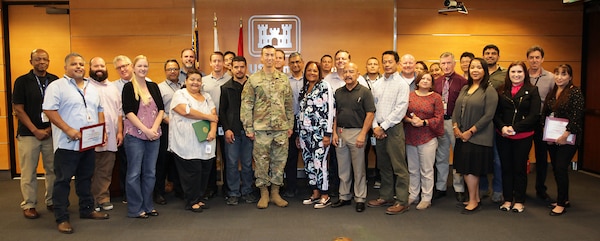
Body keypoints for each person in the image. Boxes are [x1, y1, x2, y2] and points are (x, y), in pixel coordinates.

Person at [43, 53, 110, 234]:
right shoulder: (57, 86)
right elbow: (49, 110)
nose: (79, 67)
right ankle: (62, 217)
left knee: (85, 178)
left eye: (81, 64)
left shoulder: (92, 87)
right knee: (63, 181)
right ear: (66, 67)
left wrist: (101, 132)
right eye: (74, 64)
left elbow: (99, 110)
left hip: (88, 143)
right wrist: (68, 129)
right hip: (67, 144)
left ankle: (87, 209)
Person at [241, 45, 294, 209]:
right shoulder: (254, 79)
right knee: (261, 162)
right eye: (267, 55)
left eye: (273, 55)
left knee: (279, 162)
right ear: (261, 58)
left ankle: (275, 193)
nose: (270, 58)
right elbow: (246, 104)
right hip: (261, 129)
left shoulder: (284, 79)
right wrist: (248, 127)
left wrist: (290, 125)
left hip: (281, 129)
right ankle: (264, 193)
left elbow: (289, 104)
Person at [12, 49, 58, 219]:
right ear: (31, 61)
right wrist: (35, 130)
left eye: (45, 59)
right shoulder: (22, 81)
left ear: (49, 61)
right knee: (28, 171)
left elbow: (60, 108)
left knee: (53, 169)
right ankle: (29, 204)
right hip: (28, 134)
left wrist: (49, 129)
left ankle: (52, 200)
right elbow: (18, 109)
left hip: (51, 133)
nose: (42, 62)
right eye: (38, 59)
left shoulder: (55, 81)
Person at [452, 57, 498, 214]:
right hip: (462, 135)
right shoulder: (465, 88)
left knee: (471, 170)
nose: (475, 70)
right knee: (466, 168)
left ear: (484, 70)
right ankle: (475, 197)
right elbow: (456, 110)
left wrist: (471, 131)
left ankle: (472, 201)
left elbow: (488, 115)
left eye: (479, 67)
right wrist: (455, 127)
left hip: (478, 136)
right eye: (472, 67)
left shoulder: (489, 90)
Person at [367, 50, 410, 215]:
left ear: (397, 64)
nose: (386, 64)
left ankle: (402, 200)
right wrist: (376, 127)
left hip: (393, 129)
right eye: (384, 61)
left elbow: (400, 109)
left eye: (390, 61)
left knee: (399, 166)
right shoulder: (377, 84)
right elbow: (372, 107)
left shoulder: (402, 84)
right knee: (383, 165)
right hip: (378, 130)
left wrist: (383, 126)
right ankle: (386, 196)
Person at [494, 61, 541, 213]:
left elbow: (534, 115)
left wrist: (515, 128)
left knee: (519, 169)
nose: (516, 75)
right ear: (508, 74)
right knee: (505, 168)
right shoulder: (501, 90)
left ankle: (519, 200)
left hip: (523, 136)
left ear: (524, 74)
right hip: (503, 135)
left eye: (519, 72)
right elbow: (496, 113)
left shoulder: (532, 90)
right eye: (513, 72)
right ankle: (507, 199)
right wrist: (503, 127)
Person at [169, 69, 218, 212]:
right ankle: (191, 201)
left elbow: (214, 115)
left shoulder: (207, 96)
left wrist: (213, 130)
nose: (195, 82)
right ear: (186, 81)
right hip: (187, 142)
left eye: (198, 80)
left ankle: (199, 197)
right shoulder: (180, 94)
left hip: (206, 140)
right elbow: (186, 111)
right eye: (192, 79)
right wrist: (207, 117)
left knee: (204, 170)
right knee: (192, 172)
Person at [122, 55, 164, 218]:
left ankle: (148, 205)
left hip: (154, 136)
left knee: (150, 173)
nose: (143, 69)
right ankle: (135, 208)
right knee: (134, 173)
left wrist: (153, 128)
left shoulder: (153, 86)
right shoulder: (128, 88)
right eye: (140, 66)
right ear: (133, 67)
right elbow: (129, 112)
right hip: (135, 136)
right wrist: (145, 130)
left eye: (145, 66)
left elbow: (161, 109)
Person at [331, 62, 375, 212]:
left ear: (357, 74)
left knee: (359, 168)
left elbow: (370, 113)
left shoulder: (364, 92)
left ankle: (360, 198)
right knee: (343, 168)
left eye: (352, 72)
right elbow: (335, 114)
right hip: (341, 132)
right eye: (346, 72)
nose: (348, 75)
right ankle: (344, 196)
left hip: (358, 133)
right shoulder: (338, 92)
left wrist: (363, 134)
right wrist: (334, 132)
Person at [544, 64, 584, 216]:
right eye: (557, 74)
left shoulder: (575, 92)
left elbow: (576, 116)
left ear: (570, 77)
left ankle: (561, 204)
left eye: (563, 74)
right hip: (552, 138)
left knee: (561, 167)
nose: (559, 77)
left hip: (568, 138)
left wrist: (565, 135)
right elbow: (546, 114)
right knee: (556, 168)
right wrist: (546, 135)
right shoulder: (553, 92)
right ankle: (564, 198)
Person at [296, 61, 335, 209]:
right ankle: (315, 193)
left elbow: (331, 111)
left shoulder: (325, 87)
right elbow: (301, 113)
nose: (312, 73)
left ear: (319, 73)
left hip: (320, 134)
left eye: (315, 71)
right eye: (309, 70)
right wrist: (299, 135)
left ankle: (325, 195)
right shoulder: (304, 88)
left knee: (320, 163)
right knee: (309, 163)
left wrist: (328, 134)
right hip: (305, 134)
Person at [220, 56, 257, 205]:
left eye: (242, 67)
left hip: (249, 132)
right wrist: (227, 129)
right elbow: (222, 111)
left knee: (248, 164)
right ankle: (234, 192)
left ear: (246, 67)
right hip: (233, 131)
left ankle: (247, 191)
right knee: (232, 163)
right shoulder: (226, 87)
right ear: (231, 68)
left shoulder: (253, 86)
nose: (239, 70)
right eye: (236, 67)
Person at [404, 72, 444, 210]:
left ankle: (426, 197)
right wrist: (411, 120)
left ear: (432, 83)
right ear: (418, 81)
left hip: (428, 137)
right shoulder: (409, 95)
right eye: (423, 79)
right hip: (410, 136)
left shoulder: (436, 97)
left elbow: (439, 118)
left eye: (428, 79)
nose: (425, 81)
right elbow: (402, 113)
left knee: (426, 170)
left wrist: (424, 122)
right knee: (413, 169)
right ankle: (413, 194)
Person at [433, 52, 468, 202]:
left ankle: (459, 188)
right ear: (440, 65)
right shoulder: (436, 81)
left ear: (454, 64)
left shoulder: (463, 82)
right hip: (440, 122)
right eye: (443, 63)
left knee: (458, 155)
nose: (446, 66)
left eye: (448, 63)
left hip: (455, 123)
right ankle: (440, 187)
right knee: (441, 156)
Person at [88, 57, 122, 212]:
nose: (99, 68)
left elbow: (119, 112)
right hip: (91, 135)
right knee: (90, 169)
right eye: (96, 66)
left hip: (112, 135)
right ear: (90, 68)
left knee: (106, 169)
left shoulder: (113, 87)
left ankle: (102, 198)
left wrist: (120, 131)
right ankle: (90, 200)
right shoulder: (85, 86)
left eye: (102, 65)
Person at [526, 45, 555, 201]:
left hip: (542, 121)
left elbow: (554, 99)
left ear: (542, 59)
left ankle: (540, 188)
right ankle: (520, 188)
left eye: (537, 57)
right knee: (521, 155)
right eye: (531, 57)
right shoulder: (523, 75)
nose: (534, 60)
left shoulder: (550, 77)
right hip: (525, 122)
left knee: (541, 157)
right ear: (528, 59)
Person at [202, 51, 232, 199]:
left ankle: (228, 187)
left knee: (228, 157)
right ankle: (210, 187)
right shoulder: (203, 81)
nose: (217, 64)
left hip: (227, 123)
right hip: (208, 123)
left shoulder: (231, 79)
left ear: (224, 63)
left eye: (220, 61)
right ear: (210, 63)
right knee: (210, 156)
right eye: (214, 61)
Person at [155, 59, 185, 205]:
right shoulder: (159, 88)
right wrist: (170, 122)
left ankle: (180, 190)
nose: (172, 71)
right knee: (163, 161)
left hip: (182, 129)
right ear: (165, 71)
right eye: (169, 69)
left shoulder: (184, 86)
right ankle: (159, 192)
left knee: (179, 160)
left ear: (179, 71)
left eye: (175, 69)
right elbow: (158, 109)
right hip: (166, 127)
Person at [481, 44, 506, 203]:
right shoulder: (478, 72)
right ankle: (483, 188)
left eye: (493, 53)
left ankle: (498, 189)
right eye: (487, 53)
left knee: (497, 159)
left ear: (498, 56)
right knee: (482, 157)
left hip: (497, 120)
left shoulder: (505, 74)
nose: (490, 56)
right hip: (480, 122)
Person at [113, 55, 134, 203]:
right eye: (119, 67)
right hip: (123, 128)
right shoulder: (112, 87)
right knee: (125, 162)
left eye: (125, 65)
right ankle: (127, 193)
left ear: (131, 65)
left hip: (143, 129)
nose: (123, 69)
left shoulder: (147, 83)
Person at [283, 52, 304, 198]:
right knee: (290, 155)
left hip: (307, 122)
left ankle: (313, 186)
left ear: (302, 63)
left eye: (298, 62)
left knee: (309, 154)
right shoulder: (284, 81)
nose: (295, 65)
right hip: (289, 121)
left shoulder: (309, 80)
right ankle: (291, 186)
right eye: (292, 63)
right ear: (289, 65)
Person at [363, 57, 381, 188]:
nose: (372, 66)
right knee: (363, 149)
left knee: (379, 150)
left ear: (379, 67)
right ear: (366, 66)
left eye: (375, 64)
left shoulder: (384, 80)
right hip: (364, 119)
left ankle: (379, 178)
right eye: (370, 64)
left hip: (379, 120)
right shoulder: (360, 80)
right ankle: (362, 177)